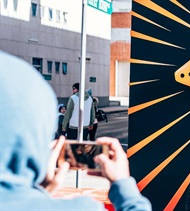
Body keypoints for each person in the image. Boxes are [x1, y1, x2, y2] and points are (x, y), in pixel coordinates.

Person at [0, 50, 152, 211]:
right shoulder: (83, 207)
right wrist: (122, 184)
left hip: (72, 125)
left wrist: (63, 127)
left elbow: (67, 116)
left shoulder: (73, 99)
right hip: (86, 125)